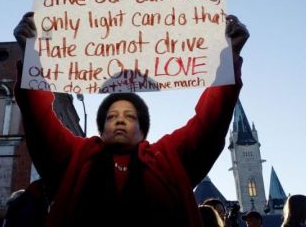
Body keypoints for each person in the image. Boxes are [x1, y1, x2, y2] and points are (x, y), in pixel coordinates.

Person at [13, 12, 249, 227]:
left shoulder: (170, 157)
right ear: (101, 129)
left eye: (130, 116)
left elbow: (210, 123)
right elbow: (38, 120)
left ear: (143, 130)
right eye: (112, 116)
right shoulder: (74, 157)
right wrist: (31, 55)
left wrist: (229, 58)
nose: (120, 121)